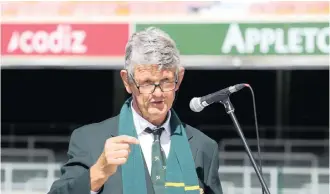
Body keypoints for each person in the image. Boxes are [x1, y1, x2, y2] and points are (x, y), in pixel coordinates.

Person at [48, 27, 223, 194]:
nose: (158, 93)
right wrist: (98, 173)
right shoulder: (90, 140)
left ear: (180, 77)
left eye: (166, 81)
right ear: (127, 81)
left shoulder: (204, 147)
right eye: (147, 83)